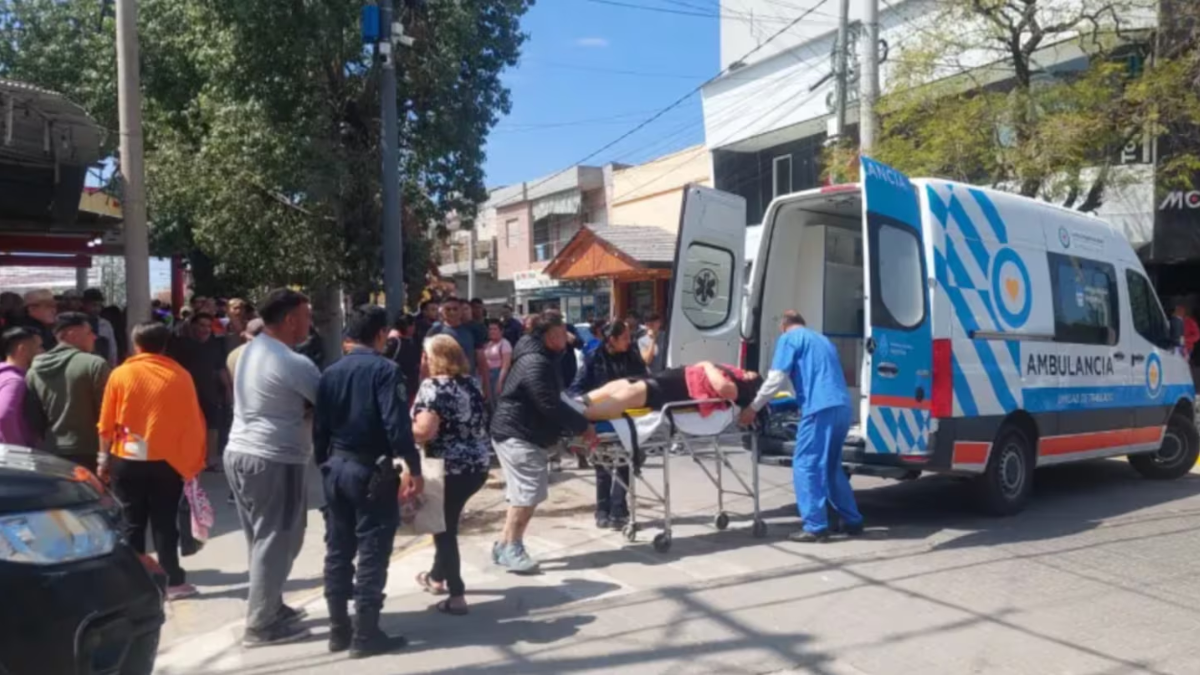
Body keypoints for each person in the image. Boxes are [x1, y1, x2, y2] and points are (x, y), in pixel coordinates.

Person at [313, 305, 423, 657]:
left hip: (336, 466)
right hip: (370, 470)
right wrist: (414, 467)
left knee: (338, 548)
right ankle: (365, 632)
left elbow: (320, 428)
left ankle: (338, 629)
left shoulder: (330, 372)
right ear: (379, 335)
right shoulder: (385, 370)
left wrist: (324, 464)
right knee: (373, 550)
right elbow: (397, 425)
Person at [224, 288, 321, 647]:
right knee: (279, 539)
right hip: (273, 457)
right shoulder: (291, 362)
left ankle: (270, 604)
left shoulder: (249, 352)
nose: (309, 322)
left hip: (241, 452)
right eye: (307, 315)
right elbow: (325, 402)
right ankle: (261, 625)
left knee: (263, 540)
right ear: (291, 320)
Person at [96, 321, 208, 601]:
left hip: (126, 458)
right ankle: (171, 581)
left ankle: (132, 582)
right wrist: (192, 463)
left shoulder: (121, 374)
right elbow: (193, 423)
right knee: (164, 523)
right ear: (165, 345)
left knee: (132, 523)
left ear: (136, 344)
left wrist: (102, 459)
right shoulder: (180, 375)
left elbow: (106, 423)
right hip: (167, 462)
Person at [739, 310, 861, 543]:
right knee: (831, 466)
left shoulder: (789, 339)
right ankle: (852, 520)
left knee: (806, 464)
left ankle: (815, 526)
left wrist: (753, 407)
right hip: (842, 407)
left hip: (819, 408)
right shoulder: (822, 340)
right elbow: (820, 377)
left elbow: (776, 379)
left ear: (784, 325)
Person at [490, 311, 592, 573]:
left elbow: (559, 390)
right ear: (548, 336)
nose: (565, 337)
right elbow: (548, 402)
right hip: (518, 432)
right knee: (528, 492)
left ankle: (504, 545)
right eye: (560, 334)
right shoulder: (536, 361)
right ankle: (513, 546)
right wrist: (583, 427)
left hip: (518, 430)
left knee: (522, 493)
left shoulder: (544, 356)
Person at [411, 335, 491, 614]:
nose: (422, 360)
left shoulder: (432, 387)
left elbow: (424, 431)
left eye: (425, 355)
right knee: (447, 521)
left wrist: (395, 430)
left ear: (435, 358)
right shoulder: (471, 383)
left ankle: (456, 595)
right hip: (477, 466)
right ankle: (436, 577)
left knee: (442, 529)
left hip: (447, 469)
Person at [568, 321, 647, 529]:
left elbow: (644, 381)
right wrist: (581, 407)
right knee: (602, 466)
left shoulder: (632, 355)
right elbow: (577, 387)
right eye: (625, 338)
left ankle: (619, 510)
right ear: (611, 340)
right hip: (602, 417)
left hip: (627, 416)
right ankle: (602, 511)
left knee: (625, 464)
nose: (629, 342)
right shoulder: (594, 357)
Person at [25, 312, 111, 473]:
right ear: (72, 334)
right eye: (89, 332)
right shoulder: (95, 364)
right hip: (90, 452)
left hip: (51, 450)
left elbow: (34, 416)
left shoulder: (34, 369)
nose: (94, 337)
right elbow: (107, 414)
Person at [578, 361, 761, 421]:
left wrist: (707, 365)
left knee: (631, 394)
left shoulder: (739, 388)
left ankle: (580, 415)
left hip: (676, 389)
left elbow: (724, 389)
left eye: (750, 374)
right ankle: (579, 402)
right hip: (671, 379)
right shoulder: (734, 374)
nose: (746, 372)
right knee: (622, 384)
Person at [168, 312, 229, 470]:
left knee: (212, 426)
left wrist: (228, 390)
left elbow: (221, 368)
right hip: (185, 393)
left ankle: (211, 460)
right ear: (193, 326)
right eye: (202, 325)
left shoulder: (215, 345)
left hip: (210, 391)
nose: (205, 329)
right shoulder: (180, 344)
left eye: (208, 326)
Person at [422, 297, 490, 399]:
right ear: (441, 311)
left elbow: (481, 360)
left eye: (455, 309)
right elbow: (425, 359)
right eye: (448, 309)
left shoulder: (472, 331)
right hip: (440, 384)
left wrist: (485, 387)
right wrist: (425, 384)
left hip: (466, 383)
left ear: (461, 311)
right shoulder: (434, 332)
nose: (452, 312)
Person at [0, 327, 42, 446]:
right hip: (10, 458)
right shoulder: (14, 381)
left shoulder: (3, 376)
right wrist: (19, 450)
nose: (42, 352)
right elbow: (4, 417)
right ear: (22, 349)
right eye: (38, 347)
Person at [384, 315, 420, 406]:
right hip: (397, 382)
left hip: (412, 382)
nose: (413, 328)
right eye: (411, 325)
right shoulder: (394, 342)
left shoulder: (413, 340)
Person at [82, 289, 118, 366]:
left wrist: (112, 366)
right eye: (94, 305)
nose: (97, 309)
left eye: (99, 305)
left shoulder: (105, 324)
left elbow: (112, 349)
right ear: (85, 305)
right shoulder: (78, 323)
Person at [483, 319, 513, 401]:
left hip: (498, 374)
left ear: (501, 331)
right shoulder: (488, 344)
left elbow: (505, 366)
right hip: (488, 374)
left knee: (498, 400)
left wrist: (500, 382)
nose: (492, 331)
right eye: (490, 329)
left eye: (495, 329)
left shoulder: (505, 344)